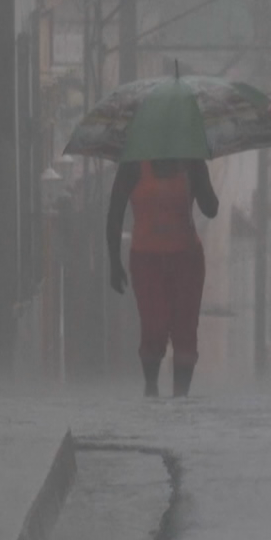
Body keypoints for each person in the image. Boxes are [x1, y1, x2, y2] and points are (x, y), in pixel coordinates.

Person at [107, 158, 219, 398]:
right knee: (153, 326)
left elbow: (211, 209)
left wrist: (200, 174)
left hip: (187, 260)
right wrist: (114, 262)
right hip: (147, 260)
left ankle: (181, 395)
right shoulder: (133, 165)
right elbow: (115, 213)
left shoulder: (191, 163)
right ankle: (151, 387)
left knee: (186, 329)